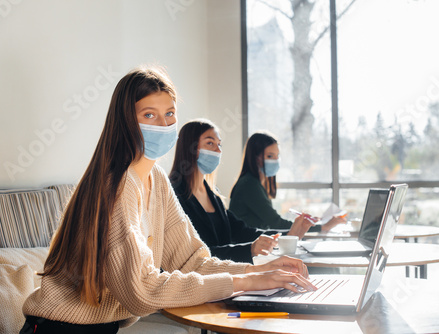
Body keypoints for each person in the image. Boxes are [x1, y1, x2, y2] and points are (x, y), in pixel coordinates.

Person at [20, 67, 316, 334]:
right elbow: (142, 290)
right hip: (59, 329)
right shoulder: (117, 186)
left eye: (170, 114)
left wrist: (257, 271)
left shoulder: (157, 180)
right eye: (149, 115)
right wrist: (244, 283)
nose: (163, 125)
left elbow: (192, 261)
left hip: (101, 328)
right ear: (126, 122)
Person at [169, 119, 314, 263]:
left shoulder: (213, 194)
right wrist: (249, 249)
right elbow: (194, 255)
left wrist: (288, 235)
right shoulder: (174, 195)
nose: (218, 150)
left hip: (224, 273)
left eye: (219, 144)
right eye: (210, 143)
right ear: (190, 148)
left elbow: (242, 231)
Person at [230, 131, 346, 232]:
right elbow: (277, 223)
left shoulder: (256, 183)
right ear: (255, 157)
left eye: (277, 156)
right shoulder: (249, 185)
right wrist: (322, 227)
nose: (275, 161)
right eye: (270, 156)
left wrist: (310, 224)